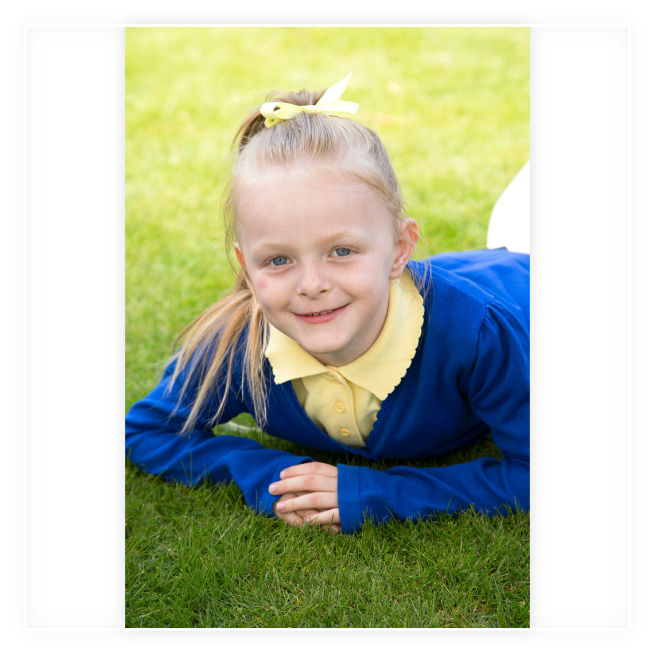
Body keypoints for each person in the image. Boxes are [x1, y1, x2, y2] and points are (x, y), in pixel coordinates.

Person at [125, 72, 530, 535]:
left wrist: (376, 493)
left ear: (399, 249)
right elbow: (147, 430)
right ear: (246, 266)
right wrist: (276, 478)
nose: (312, 285)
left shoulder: (476, 336)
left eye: (341, 251)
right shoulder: (237, 345)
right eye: (278, 260)